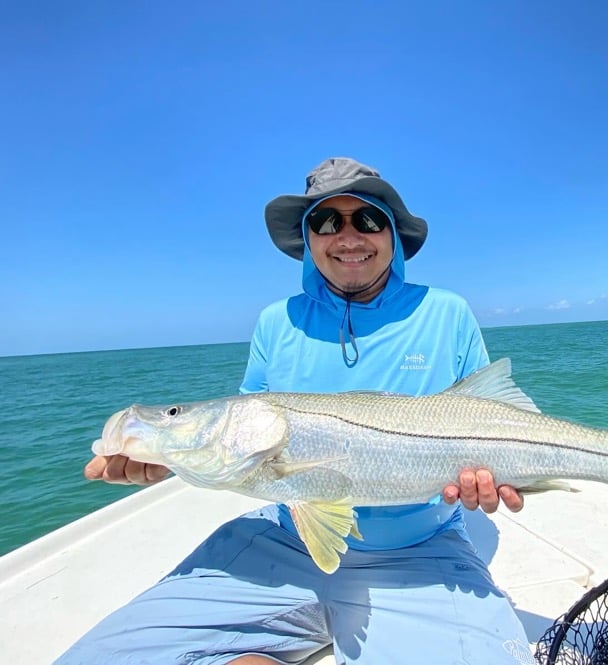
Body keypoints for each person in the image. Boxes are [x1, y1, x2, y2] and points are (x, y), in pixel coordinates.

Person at [59, 157, 532, 664]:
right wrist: (170, 456)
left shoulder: (446, 312)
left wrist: (497, 477)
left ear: (393, 235)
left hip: (419, 548)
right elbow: (242, 443)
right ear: (307, 241)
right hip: (284, 542)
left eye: (367, 219)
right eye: (326, 222)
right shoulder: (275, 323)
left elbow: (488, 415)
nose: (348, 237)